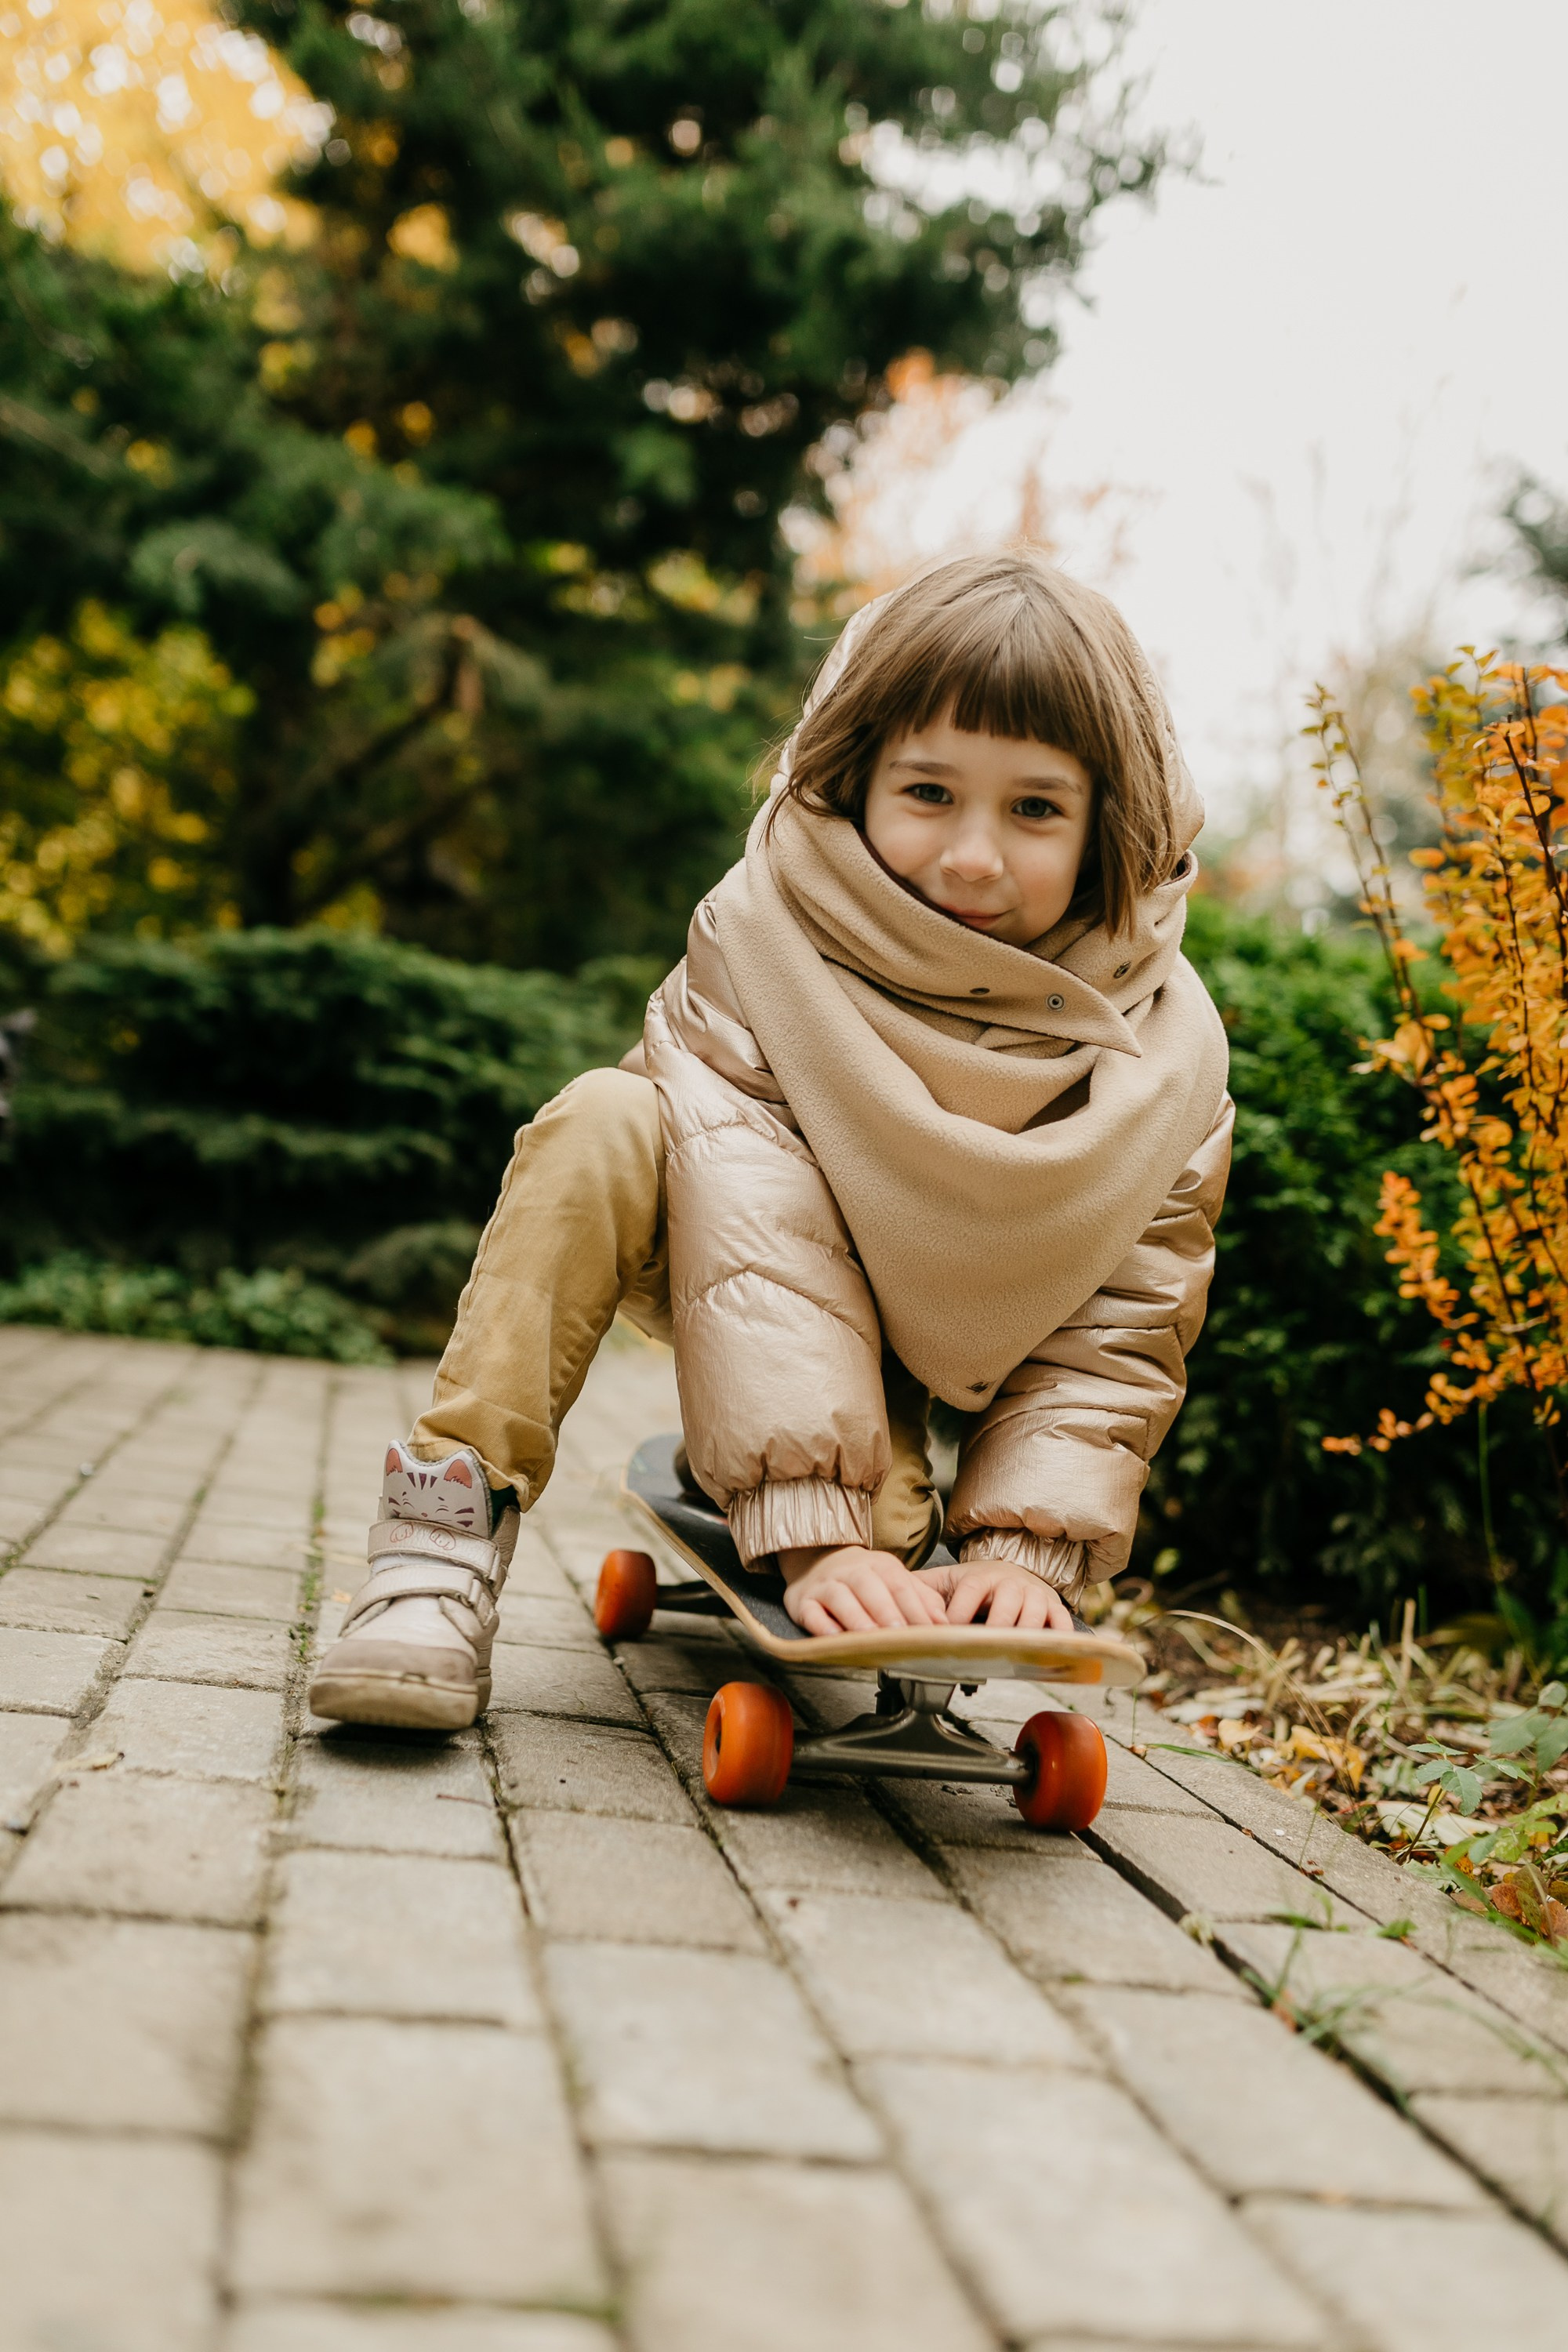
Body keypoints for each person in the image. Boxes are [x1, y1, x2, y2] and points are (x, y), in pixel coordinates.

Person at [309, 552, 1232, 1731]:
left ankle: (824, 1472)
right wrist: (808, 1526)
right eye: (930, 793)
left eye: (1036, 808)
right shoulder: (764, 936)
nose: (973, 857)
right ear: (854, 780)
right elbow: (760, 1214)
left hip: (921, 1325)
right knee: (605, 1118)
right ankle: (436, 1551)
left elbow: (1126, 1317)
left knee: (888, 1537)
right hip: (720, 1226)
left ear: (1114, 822)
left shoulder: (1170, 1060)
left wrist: (1020, 1551)